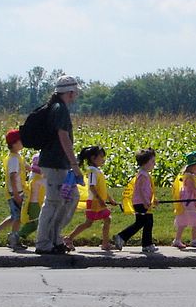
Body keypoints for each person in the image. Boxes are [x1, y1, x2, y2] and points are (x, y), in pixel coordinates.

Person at [34, 75, 85, 255]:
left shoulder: (56, 106)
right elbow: (63, 136)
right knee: (53, 202)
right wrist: (74, 163)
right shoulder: (60, 109)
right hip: (56, 163)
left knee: (70, 198)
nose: (77, 94)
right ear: (70, 92)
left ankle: (55, 238)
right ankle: (43, 242)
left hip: (57, 163)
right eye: (76, 91)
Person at [64, 146, 118, 251]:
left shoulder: (97, 171)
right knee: (89, 223)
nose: (103, 159)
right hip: (94, 202)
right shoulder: (93, 172)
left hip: (97, 201)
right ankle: (69, 238)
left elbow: (102, 189)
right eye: (101, 157)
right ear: (93, 158)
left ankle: (105, 243)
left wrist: (110, 199)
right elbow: (92, 187)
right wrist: (100, 200)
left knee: (107, 219)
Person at [113, 148, 159, 253]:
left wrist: (153, 200)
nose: (154, 164)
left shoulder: (145, 174)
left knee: (143, 222)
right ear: (145, 162)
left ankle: (124, 238)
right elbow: (140, 191)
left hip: (142, 202)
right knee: (146, 222)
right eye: (152, 161)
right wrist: (145, 201)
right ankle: (145, 244)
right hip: (141, 203)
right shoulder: (142, 175)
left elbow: (148, 190)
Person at [0, 129, 26, 247]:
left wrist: (33, 168)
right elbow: (13, 177)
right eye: (21, 140)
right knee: (18, 218)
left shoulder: (16, 156)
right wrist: (16, 194)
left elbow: (24, 165)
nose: (23, 142)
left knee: (15, 215)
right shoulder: (13, 159)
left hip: (17, 192)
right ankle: (14, 240)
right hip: (15, 192)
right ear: (14, 143)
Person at [171, 151, 196, 249]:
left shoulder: (188, 176)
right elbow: (193, 189)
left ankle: (178, 240)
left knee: (184, 221)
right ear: (192, 166)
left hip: (188, 202)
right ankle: (194, 240)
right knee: (195, 220)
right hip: (189, 203)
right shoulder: (189, 177)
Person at [14, 154, 46, 250]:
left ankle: (18, 236)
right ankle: (17, 236)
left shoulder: (34, 177)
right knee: (35, 223)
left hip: (35, 203)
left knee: (36, 222)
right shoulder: (38, 180)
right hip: (35, 203)